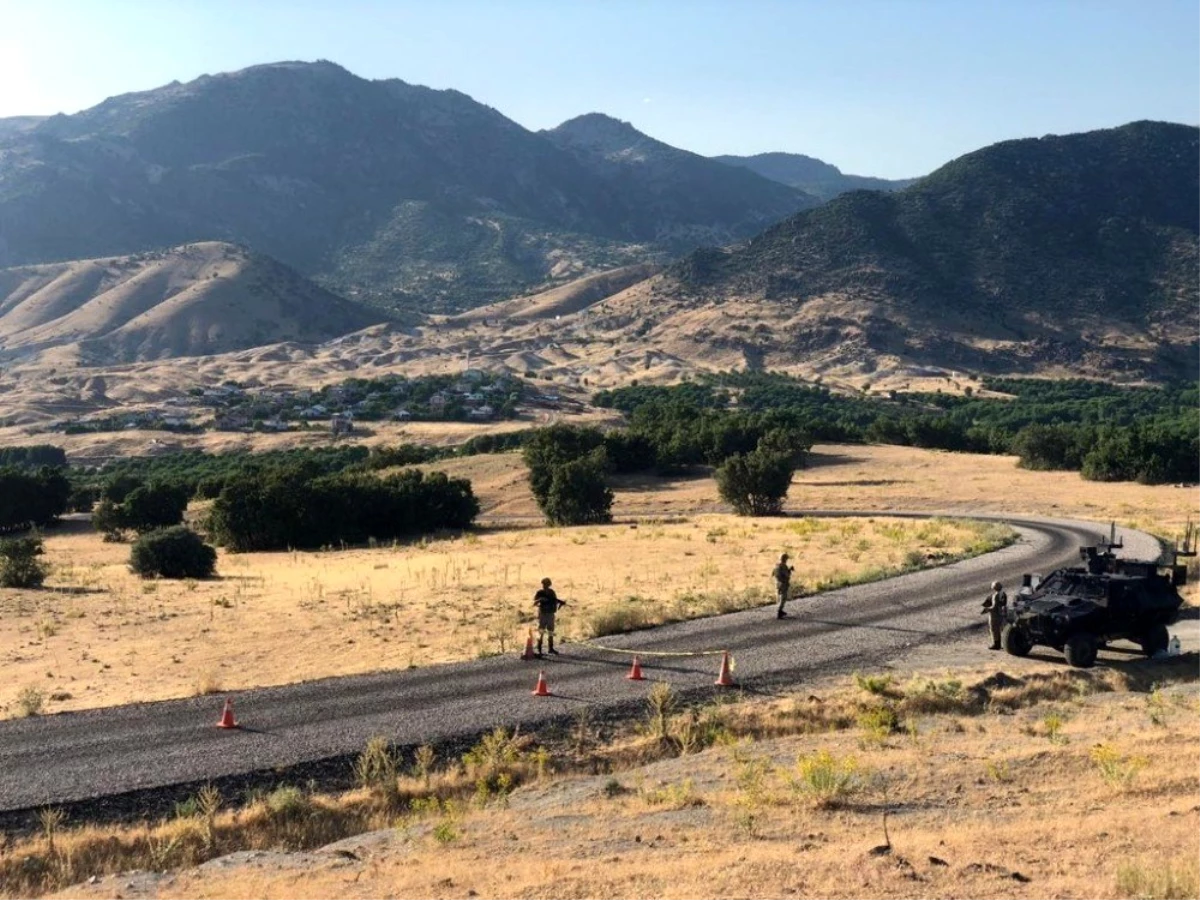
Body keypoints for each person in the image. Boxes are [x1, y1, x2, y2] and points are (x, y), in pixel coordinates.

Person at [533, 577, 566, 656]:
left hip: (550, 614)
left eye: (546, 584)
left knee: (550, 631)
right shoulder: (540, 593)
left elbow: (554, 600)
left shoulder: (551, 592)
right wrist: (540, 600)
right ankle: (539, 649)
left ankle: (550, 648)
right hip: (543, 614)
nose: (545, 586)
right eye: (544, 584)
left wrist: (561, 602)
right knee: (541, 631)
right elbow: (534, 602)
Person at [982, 580, 1008, 650]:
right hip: (1001, 614)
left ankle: (996, 645)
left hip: (995, 615)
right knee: (1000, 629)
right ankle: (1000, 644)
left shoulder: (996, 595)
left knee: (994, 630)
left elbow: (994, 607)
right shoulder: (1003, 594)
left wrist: (987, 609)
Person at [773, 553, 794, 619]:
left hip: (777, 583)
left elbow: (773, 574)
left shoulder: (776, 565)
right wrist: (790, 570)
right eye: (786, 559)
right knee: (783, 598)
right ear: (785, 559)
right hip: (783, 583)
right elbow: (787, 575)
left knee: (780, 598)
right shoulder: (783, 566)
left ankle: (780, 611)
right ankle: (779, 612)